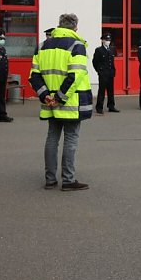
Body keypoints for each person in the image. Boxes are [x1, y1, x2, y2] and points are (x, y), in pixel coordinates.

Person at [29, 13, 92, 191]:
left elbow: (34, 76)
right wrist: (60, 98)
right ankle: (68, 180)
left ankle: (50, 179)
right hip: (70, 102)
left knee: (52, 139)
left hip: (49, 103)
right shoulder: (77, 45)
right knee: (71, 139)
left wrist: (46, 96)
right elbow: (76, 75)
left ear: (59, 26)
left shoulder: (42, 46)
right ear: (75, 28)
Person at [92, 33, 119, 115]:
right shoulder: (99, 50)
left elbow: (112, 61)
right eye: (106, 40)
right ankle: (99, 107)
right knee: (102, 91)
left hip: (110, 73)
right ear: (102, 40)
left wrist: (113, 71)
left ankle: (111, 106)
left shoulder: (112, 49)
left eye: (109, 40)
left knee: (111, 91)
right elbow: (95, 62)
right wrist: (99, 71)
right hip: (103, 73)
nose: (108, 41)